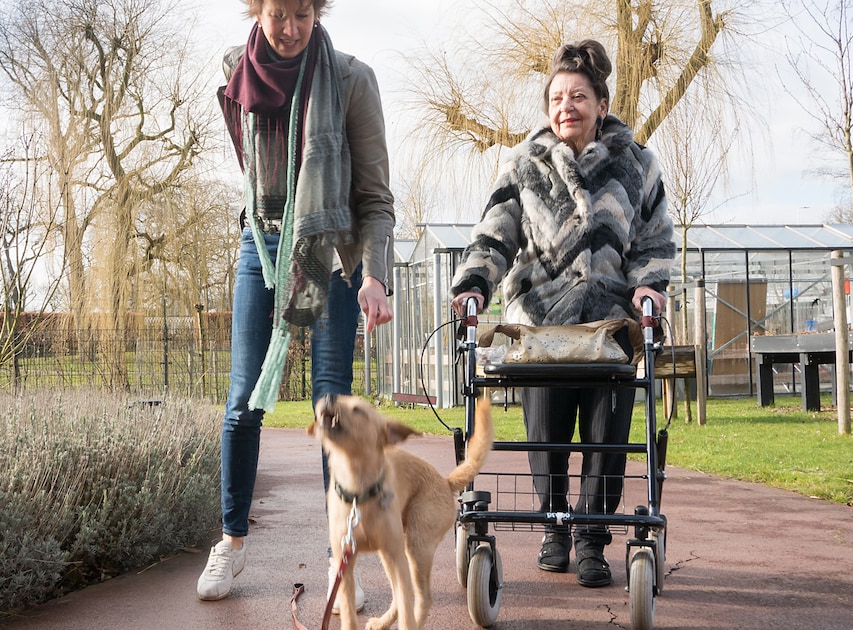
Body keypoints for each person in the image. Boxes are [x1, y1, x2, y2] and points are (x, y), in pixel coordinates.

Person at [449, 39, 675, 588]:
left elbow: (653, 240)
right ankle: (554, 529)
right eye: (556, 98)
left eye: (578, 96)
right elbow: (494, 234)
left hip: (609, 329)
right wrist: (474, 284)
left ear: (601, 103)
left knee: (606, 439)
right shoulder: (523, 163)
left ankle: (593, 539)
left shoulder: (638, 164)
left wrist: (648, 288)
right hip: (541, 328)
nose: (565, 107)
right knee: (546, 438)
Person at [197, 0, 395, 606]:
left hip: (331, 251)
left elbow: (376, 197)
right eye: (277, 14)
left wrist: (373, 275)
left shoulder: (352, 79)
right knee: (241, 402)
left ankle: (343, 558)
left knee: (330, 407)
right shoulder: (236, 74)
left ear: (318, 11)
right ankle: (231, 544)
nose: (289, 30)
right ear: (256, 12)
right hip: (261, 246)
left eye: (302, 15)